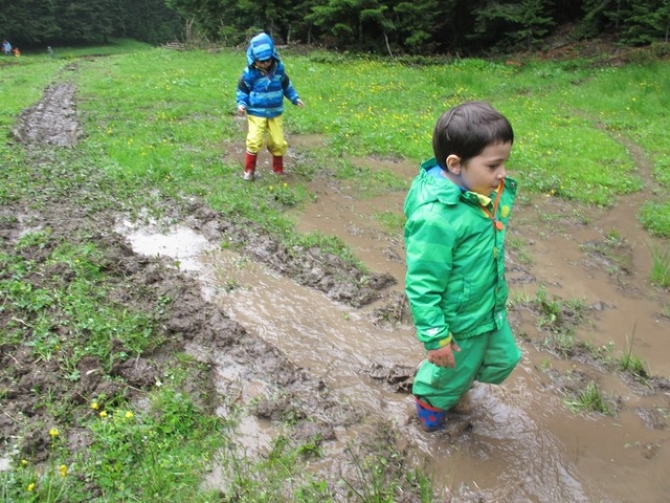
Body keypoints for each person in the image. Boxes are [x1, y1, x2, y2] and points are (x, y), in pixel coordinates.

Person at [403, 101, 522, 432]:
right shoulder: (436, 219)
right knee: (445, 377)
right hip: (459, 319)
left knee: (505, 358)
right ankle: (429, 414)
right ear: (456, 164)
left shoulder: (479, 193)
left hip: (486, 306)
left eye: (504, 163)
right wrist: (435, 336)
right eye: (494, 165)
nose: (503, 174)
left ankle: (459, 380)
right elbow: (422, 284)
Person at [236, 32, 304, 181]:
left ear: (273, 56)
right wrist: (241, 104)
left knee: (278, 142)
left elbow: (287, 86)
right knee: (254, 140)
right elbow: (243, 90)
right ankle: (249, 171)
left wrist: (294, 98)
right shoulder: (249, 74)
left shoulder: (279, 70)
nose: (264, 64)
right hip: (256, 112)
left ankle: (278, 169)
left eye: (267, 61)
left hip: (275, 112)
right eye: (261, 61)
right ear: (254, 59)